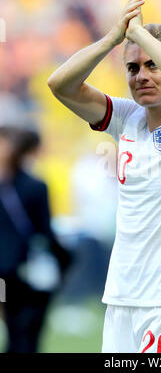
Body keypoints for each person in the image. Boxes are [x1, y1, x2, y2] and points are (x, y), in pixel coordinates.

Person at [48, 0, 161, 353]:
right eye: (132, 67)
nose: (141, 75)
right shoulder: (127, 119)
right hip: (123, 298)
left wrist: (140, 35)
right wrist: (115, 37)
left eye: (152, 65)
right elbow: (60, 85)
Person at [0, 126, 72, 352]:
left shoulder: (20, 186)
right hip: (30, 271)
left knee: (14, 332)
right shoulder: (35, 186)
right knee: (29, 335)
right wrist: (66, 260)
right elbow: (45, 233)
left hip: (7, 272)